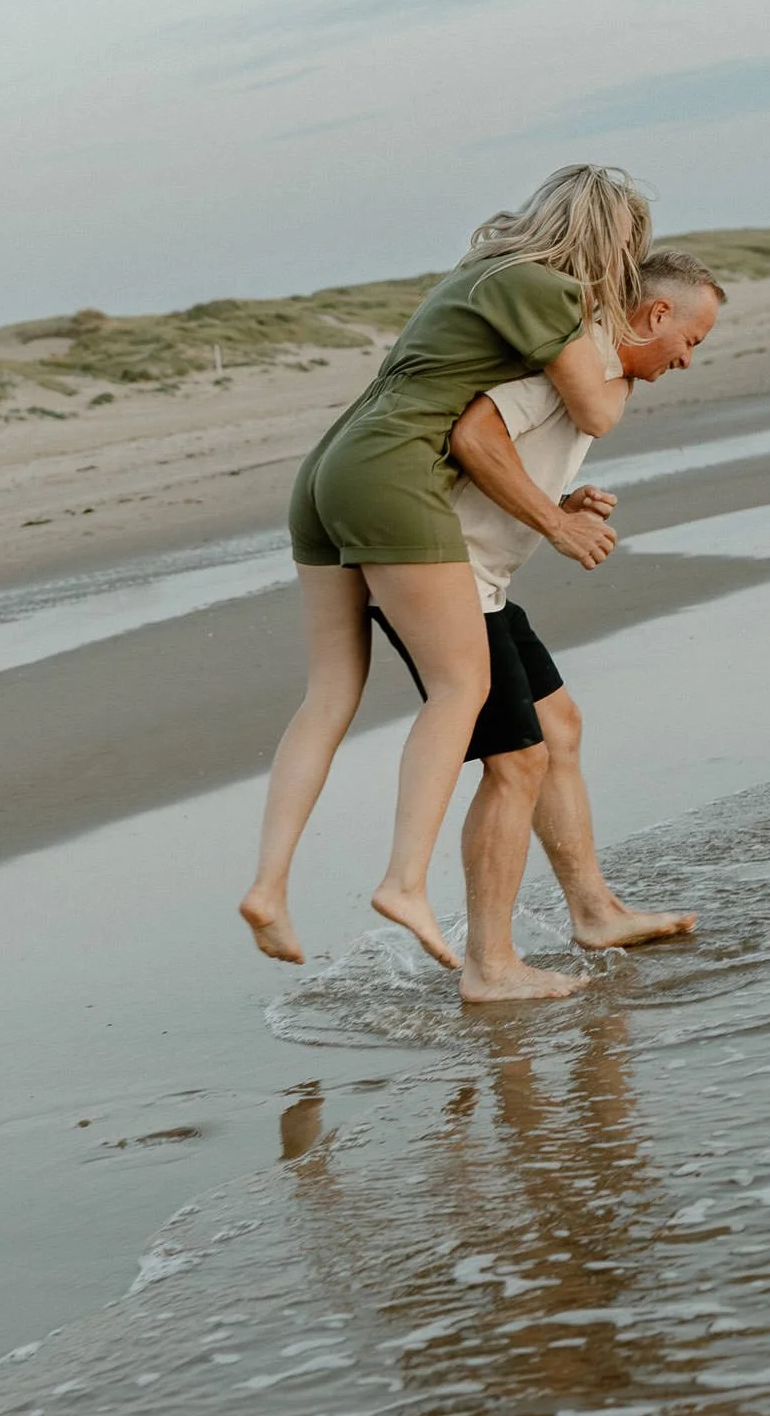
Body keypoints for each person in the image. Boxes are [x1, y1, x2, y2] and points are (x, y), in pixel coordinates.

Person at [239, 166, 646, 975]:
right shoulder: (547, 291)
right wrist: (632, 356)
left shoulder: (478, 272)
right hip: (393, 471)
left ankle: (268, 886)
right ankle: (405, 880)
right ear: (613, 243)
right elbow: (595, 408)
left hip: (330, 468)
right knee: (463, 685)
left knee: (329, 691)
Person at [386, 248, 724, 1000]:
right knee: (517, 762)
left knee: (558, 726)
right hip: (439, 572)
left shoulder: (596, 370)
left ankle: (596, 911)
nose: (688, 360)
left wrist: (557, 509)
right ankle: (490, 965)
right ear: (657, 313)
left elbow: (504, 456)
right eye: (691, 340)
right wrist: (558, 526)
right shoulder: (568, 356)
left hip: (483, 577)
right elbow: (476, 438)